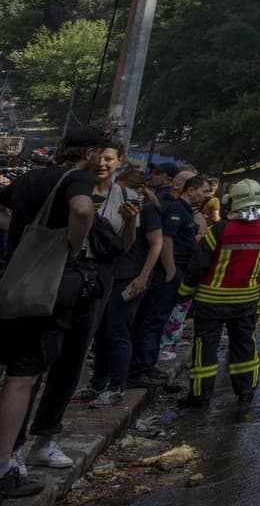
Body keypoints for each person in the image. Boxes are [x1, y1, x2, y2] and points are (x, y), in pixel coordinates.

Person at [0, 126, 105, 495]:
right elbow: (80, 209)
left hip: (13, 280)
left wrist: (22, 234)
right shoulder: (76, 178)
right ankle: (4, 468)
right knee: (23, 377)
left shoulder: (31, 177)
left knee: (12, 370)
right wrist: (72, 244)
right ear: (90, 153)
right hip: (46, 291)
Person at [29, 138, 130, 440]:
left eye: (108, 158)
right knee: (35, 358)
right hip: (55, 272)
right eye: (98, 157)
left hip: (96, 278)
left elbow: (123, 247)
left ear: (119, 161)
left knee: (72, 356)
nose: (101, 163)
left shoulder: (125, 196)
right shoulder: (66, 186)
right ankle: (18, 437)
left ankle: (45, 431)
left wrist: (131, 223)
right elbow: (82, 211)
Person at [178, 178, 260, 410]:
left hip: (210, 301)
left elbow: (198, 266)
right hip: (246, 301)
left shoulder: (219, 230)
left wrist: (184, 294)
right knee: (245, 346)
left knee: (205, 348)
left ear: (233, 202)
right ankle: (246, 393)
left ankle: (200, 397)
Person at [86, 166, 164, 405]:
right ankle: (98, 383)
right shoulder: (115, 208)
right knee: (101, 332)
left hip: (130, 277)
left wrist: (143, 277)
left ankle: (117, 385)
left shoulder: (147, 210)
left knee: (119, 332)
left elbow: (156, 244)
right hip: (109, 275)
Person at [130, 173, 208, 388]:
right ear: (190, 190)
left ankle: (147, 365)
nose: (205, 195)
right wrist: (171, 270)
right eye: (203, 190)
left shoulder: (185, 211)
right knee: (153, 320)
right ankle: (139, 369)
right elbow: (166, 239)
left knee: (160, 320)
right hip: (169, 273)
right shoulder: (176, 210)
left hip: (177, 270)